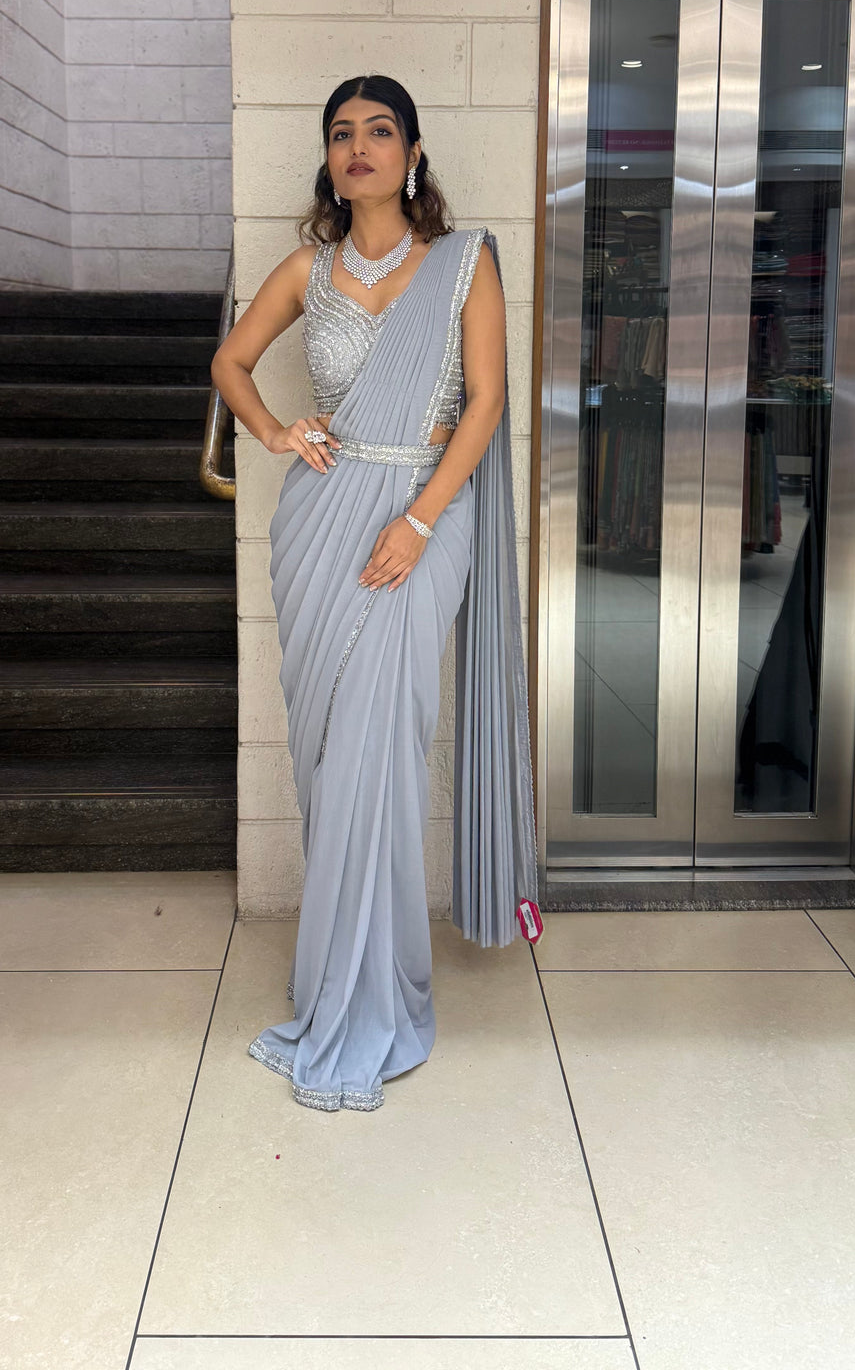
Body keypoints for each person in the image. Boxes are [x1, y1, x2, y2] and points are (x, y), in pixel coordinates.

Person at [212, 74, 540, 1113]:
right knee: (327, 750)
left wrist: (419, 520)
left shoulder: (463, 262)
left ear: (411, 152)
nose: (358, 146)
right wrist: (276, 432)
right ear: (328, 159)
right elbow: (230, 362)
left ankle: (375, 990)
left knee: (381, 743)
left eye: (379, 130)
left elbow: (485, 403)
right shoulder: (305, 271)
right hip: (322, 518)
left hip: (422, 518)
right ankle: (333, 974)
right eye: (341, 133)